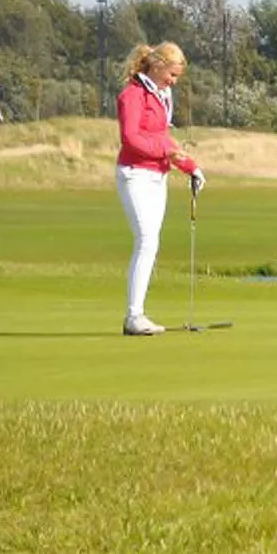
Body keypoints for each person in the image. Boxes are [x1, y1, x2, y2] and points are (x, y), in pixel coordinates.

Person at [116, 42, 205, 335]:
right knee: (146, 239)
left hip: (158, 177)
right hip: (134, 174)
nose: (174, 81)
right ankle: (134, 316)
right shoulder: (132, 94)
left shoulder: (162, 95)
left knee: (152, 241)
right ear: (157, 66)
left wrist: (190, 167)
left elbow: (163, 138)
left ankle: (137, 315)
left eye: (177, 77)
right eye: (172, 75)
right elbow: (131, 138)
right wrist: (164, 153)